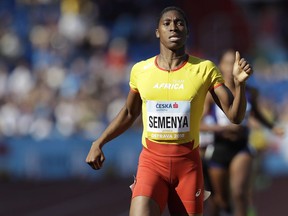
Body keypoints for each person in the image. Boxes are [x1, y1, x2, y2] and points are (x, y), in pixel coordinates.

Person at [86, 7, 253, 216]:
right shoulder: (141, 70)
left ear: (187, 32)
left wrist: (240, 86)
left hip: (188, 167)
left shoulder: (205, 69)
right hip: (151, 163)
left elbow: (235, 116)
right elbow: (129, 112)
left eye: (179, 23)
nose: (173, 27)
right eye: (167, 23)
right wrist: (99, 142)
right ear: (157, 31)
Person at [200, 49, 284, 216]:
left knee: (239, 193)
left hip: (241, 147)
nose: (232, 67)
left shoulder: (250, 92)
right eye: (228, 63)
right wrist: (224, 129)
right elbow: (198, 124)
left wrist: (272, 126)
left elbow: (257, 114)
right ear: (220, 67)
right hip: (218, 148)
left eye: (235, 63)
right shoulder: (212, 93)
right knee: (220, 201)